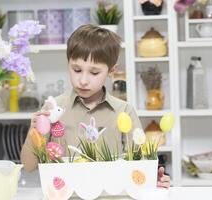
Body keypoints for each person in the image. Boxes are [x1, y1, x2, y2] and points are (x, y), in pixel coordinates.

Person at [21, 24, 170, 188]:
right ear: (68, 63)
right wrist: (34, 131)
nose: (83, 80)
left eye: (94, 73)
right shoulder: (54, 107)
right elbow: (29, 166)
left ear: (111, 71)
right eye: (77, 70)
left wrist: (152, 179)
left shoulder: (124, 111)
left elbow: (139, 166)